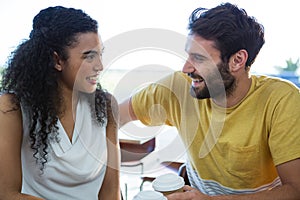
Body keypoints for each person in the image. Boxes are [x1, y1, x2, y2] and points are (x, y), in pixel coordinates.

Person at [119, 2, 300, 199]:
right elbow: (111, 116)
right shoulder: (177, 88)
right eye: (188, 55)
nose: (186, 68)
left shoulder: (281, 100)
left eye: (199, 58)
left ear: (237, 60)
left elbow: (295, 190)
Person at [0, 6, 121, 200]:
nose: (100, 66)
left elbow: (110, 194)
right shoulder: (12, 108)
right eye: (89, 56)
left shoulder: (106, 107)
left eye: (100, 54)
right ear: (57, 60)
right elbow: (6, 194)